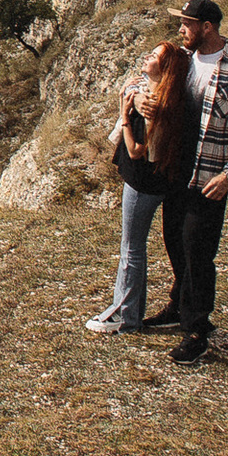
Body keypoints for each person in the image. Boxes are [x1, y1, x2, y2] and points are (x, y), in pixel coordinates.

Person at [159, 0, 228, 366]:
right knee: (173, 239)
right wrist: (137, 98)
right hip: (176, 171)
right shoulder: (182, 61)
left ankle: (196, 328)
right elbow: (143, 81)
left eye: (187, 24)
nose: (181, 30)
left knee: (198, 251)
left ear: (207, 28)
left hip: (208, 177)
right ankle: (178, 304)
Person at [85, 39, 196, 333]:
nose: (147, 58)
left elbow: (137, 151)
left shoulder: (156, 105)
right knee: (133, 247)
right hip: (161, 181)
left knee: (131, 248)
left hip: (143, 182)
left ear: (166, 68)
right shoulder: (157, 93)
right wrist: (131, 97)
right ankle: (129, 312)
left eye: (153, 56)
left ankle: (125, 316)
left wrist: (124, 117)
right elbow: (129, 87)